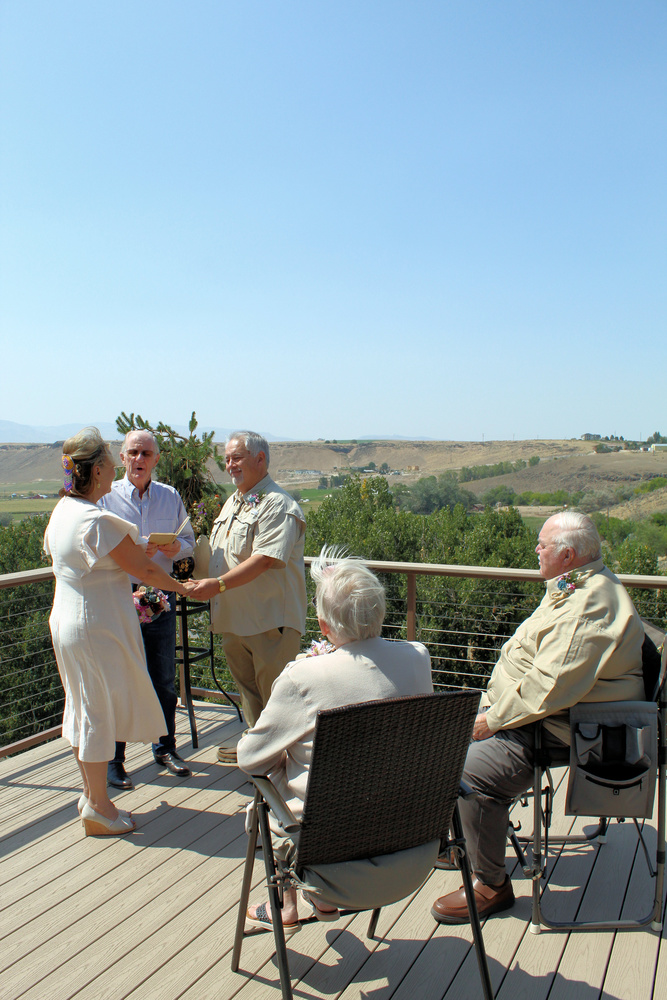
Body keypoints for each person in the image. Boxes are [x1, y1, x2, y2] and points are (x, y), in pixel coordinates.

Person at [431, 511, 645, 924]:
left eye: (542, 544)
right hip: (531, 715)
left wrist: (491, 721)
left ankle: (491, 885)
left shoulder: (589, 604)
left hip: (556, 729)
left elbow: (551, 686)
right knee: (437, 728)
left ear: (567, 555)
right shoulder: (575, 583)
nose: (535, 550)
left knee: (467, 772)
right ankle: (456, 842)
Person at [235, 548, 434, 935]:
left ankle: (287, 900)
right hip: (411, 846)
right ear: (380, 612)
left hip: (328, 855)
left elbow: (249, 759)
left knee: (276, 767)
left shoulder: (304, 677)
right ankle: (304, 900)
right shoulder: (417, 657)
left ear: (324, 627)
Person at [44, 427, 194, 836]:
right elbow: (144, 570)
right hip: (94, 626)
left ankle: (91, 794)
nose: (116, 469)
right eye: (111, 462)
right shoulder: (93, 518)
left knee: (80, 707)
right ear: (95, 473)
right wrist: (186, 587)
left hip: (69, 620)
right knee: (95, 711)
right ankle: (99, 807)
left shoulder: (65, 511)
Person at [189, 431, 307, 764]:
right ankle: (260, 757)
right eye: (226, 459)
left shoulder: (278, 504)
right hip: (235, 620)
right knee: (251, 695)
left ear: (260, 460)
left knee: (277, 699)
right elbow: (220, 554)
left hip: (269, 621)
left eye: (237, 458)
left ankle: (286, 768)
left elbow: (265, 559)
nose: (230, 465)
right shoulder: (235, 502)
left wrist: (218, 585)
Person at [98, 429, 196, 785]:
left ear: (156, 459)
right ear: (123, 458)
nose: (139, 459)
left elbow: (189, 541)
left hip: (159, 600)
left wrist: (176, 549)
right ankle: (114, 761)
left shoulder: (170, 497)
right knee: (119, 679)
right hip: (120, 599)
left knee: (164, 680)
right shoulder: (106, 498)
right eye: (133, 452)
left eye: (146, 454)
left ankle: (165, 747)